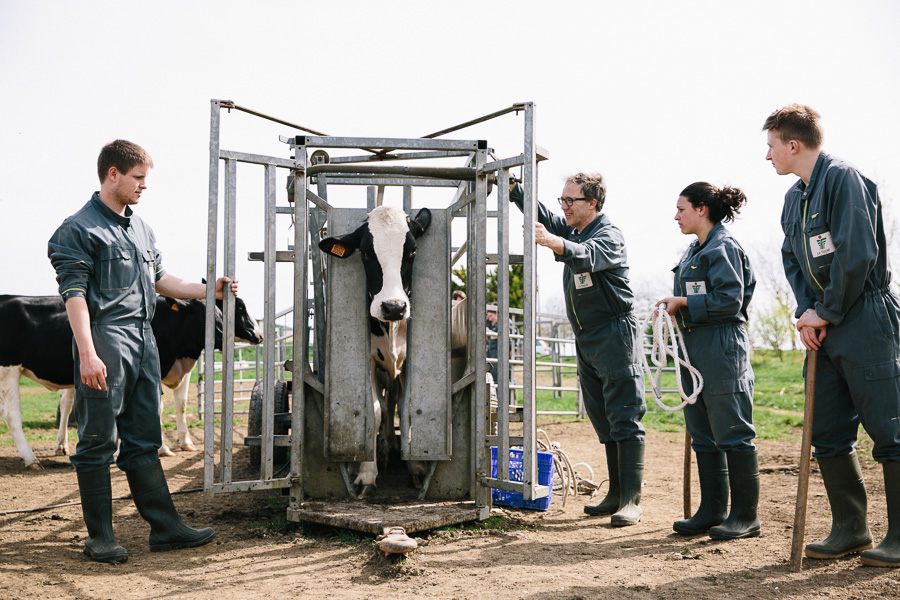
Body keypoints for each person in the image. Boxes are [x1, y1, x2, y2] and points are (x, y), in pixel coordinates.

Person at [48, 140, 236, 563]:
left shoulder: (141, 228)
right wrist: (88, 354)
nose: (143, 185)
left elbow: (160, 279)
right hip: (105, 339)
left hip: (144, 339)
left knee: (145, 439)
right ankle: (99, 537)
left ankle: (165, 528)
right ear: (111, 174)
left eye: (145, 178)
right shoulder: (77, 229)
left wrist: (211, 290)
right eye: (137, 177)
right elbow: (73, 294)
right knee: (97, 440)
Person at [764, 104, 900, 568]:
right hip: (824, 324)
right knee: (826, 429)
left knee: (890, 428)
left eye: (771, 146)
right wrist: (808, 312)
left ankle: (899, 537)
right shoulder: (793, 199)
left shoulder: (844, 179)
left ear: (793, 144)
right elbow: (792, 259)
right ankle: (851, 528)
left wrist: (828, 310)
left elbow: (857, 253)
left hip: (864, 316)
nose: (768, 156)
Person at [510, 173, 646, 526]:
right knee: (603, 416)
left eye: (571, 201)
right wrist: (514, 188)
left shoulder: (607, 235)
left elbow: (585, 255)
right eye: (563, 200)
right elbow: (545, 216)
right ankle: (615, 493)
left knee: (624, 413)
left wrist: (554, 242)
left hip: (614, 331)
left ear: (593, 204)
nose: (564, 207)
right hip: (586, 336)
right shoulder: (575, 228)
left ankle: (631, 499)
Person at [655, 182, 760, 540]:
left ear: (702, 209)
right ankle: (712, 509)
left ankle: (745, 516)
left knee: (732, 430)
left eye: (681, 209)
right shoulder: (693, 250)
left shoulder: (724, 247)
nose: (676, 216)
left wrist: (684, 303)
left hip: (721, 345)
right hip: (693, 346)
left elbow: (731, 299)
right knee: (702, 431)